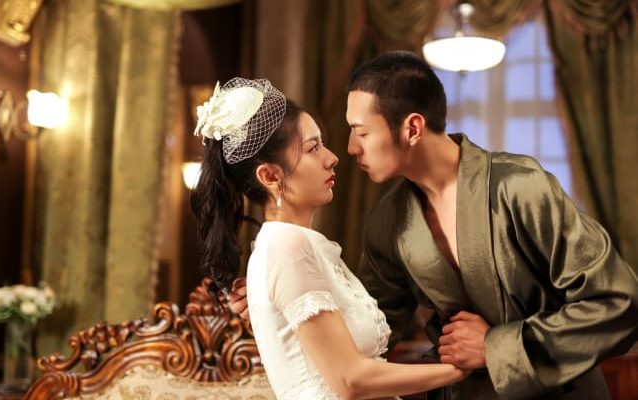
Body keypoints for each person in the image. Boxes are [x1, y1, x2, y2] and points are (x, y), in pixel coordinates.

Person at [228, 52, 638, 399]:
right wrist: (283, 299)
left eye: (361, 132)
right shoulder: (389, 219)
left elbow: (619, 301)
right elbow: (371, 324)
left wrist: (496, 348)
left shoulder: (520, 188)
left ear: (412, 128)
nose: (349, 149)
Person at [191, 77, 468, 400]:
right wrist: (461, 368)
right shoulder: (286, 246)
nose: (332, 157)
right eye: (313, 148)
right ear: (270, 176)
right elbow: (350, 381)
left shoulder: (298, 245)